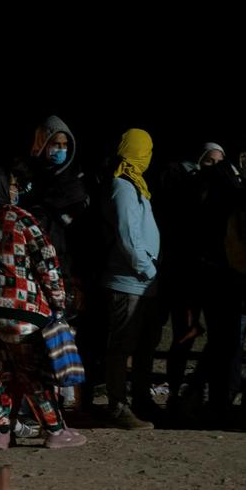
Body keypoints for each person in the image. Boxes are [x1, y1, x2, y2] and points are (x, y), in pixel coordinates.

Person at [0, 168, 85, 449]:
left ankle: (1, 433)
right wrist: (58, 303)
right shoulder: (20, 218)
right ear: (5, 189)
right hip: (19, 310)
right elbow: (47, 263)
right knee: (33, 371)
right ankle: (54, 430)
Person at [100, 129, 161, 429]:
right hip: (129, 280)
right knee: (121, 346)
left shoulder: (136, 184)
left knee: (141, 345)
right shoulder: (123, 186)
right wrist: (146, 268)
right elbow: (128, 234)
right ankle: (117, 406)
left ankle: (139, 401)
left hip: (139, 280)